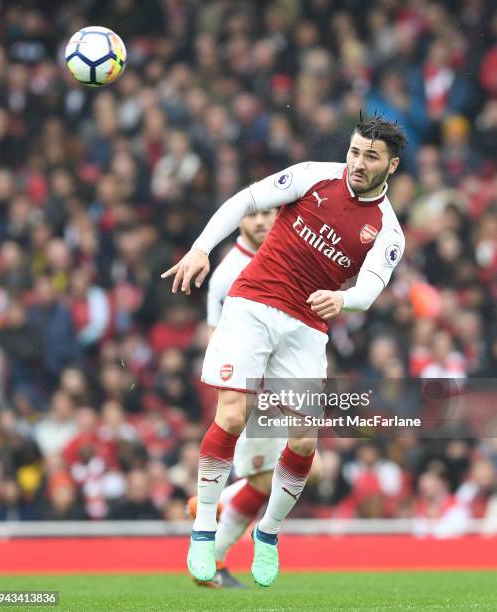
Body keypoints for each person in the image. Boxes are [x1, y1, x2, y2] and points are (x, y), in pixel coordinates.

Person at [162, 115, 407, 587]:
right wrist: (200, 248)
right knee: (231, 415)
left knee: (304, 443)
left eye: (370, 157)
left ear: (390, 166)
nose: (357, 162)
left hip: (307, 327)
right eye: (355, 151)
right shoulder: (314, 174)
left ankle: (268, 535)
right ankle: (203, 527)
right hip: (253, 302)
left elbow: (371, 288)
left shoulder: (388, 230)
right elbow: (246, 200)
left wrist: (343, 299)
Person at [190, 208, 324, 588]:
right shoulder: (229, 273)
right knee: (277, 476)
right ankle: (214, 551)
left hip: (282, 382)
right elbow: (222, 339)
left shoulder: (285, 257)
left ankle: (218, 509)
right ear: (240, 222)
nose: (263, 222)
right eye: (254, 216)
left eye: (270, 213)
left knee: (305, 469)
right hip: (258, 390)